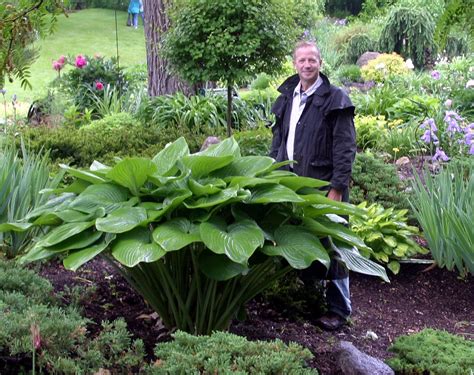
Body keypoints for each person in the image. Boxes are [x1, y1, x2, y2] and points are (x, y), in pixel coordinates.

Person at [270, 40, 356, 331]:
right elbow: (278, 141)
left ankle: (339, 309)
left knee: (334, 246)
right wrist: (270, 175)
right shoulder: (287, 97)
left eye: (312, 60)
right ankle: (311, 301)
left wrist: (337, 187)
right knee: (303, 242)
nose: (307, 65)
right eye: (302, 60)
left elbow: (345, 148)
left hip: (323, 186)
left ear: (321, 63)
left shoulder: (335, 99)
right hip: (292, 186)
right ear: (294, 63)